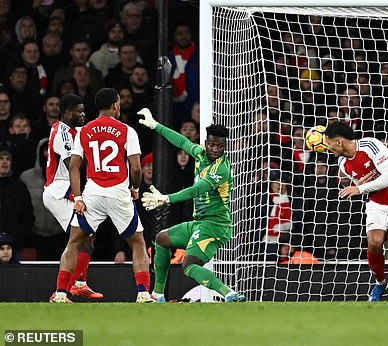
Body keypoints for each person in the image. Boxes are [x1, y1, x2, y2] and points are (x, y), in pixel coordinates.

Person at [136, 107, 246, 303]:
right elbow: (182, 141)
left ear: (225, 147)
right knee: (161, 239)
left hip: (215, 226)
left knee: (188, 265)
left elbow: (196, 190)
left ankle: (229, 294)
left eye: (219, 146)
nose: (215, 149)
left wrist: (166, 198)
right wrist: (155, 125)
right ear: (206, 143)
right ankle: (158, 295)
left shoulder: (221, 169)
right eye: (211, 144)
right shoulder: (201, 153)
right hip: (200, 223)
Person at [51, 88, 151, 303]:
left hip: (92, 194)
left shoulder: (84, 131)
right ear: (115, 105)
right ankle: (143, 293)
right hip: (118, 193)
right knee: (138, 243)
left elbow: (74, 167)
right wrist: (135, 188)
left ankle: (60, 293)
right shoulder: (127, 130)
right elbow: (135, 168)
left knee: (74, 243)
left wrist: (78, 198)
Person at [325, 120, 388, 301]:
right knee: (374, 243)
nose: (328, 148)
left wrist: (358, 188)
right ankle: (380, 283)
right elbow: (365, 184)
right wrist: (360, 185)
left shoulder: (370, 145)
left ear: (339, 142)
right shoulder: (343, 163)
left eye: (329, 144)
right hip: (377, 202)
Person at [43, 93, 103, 300]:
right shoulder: (62, 133)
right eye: (80, 110)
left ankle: (78, 284)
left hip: (69, 191)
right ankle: (60, 293)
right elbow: (73, 166)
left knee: (87, 236)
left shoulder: (75, 130)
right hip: (58, 192)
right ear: (68, 112)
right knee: (79, 238)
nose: (83, 114)